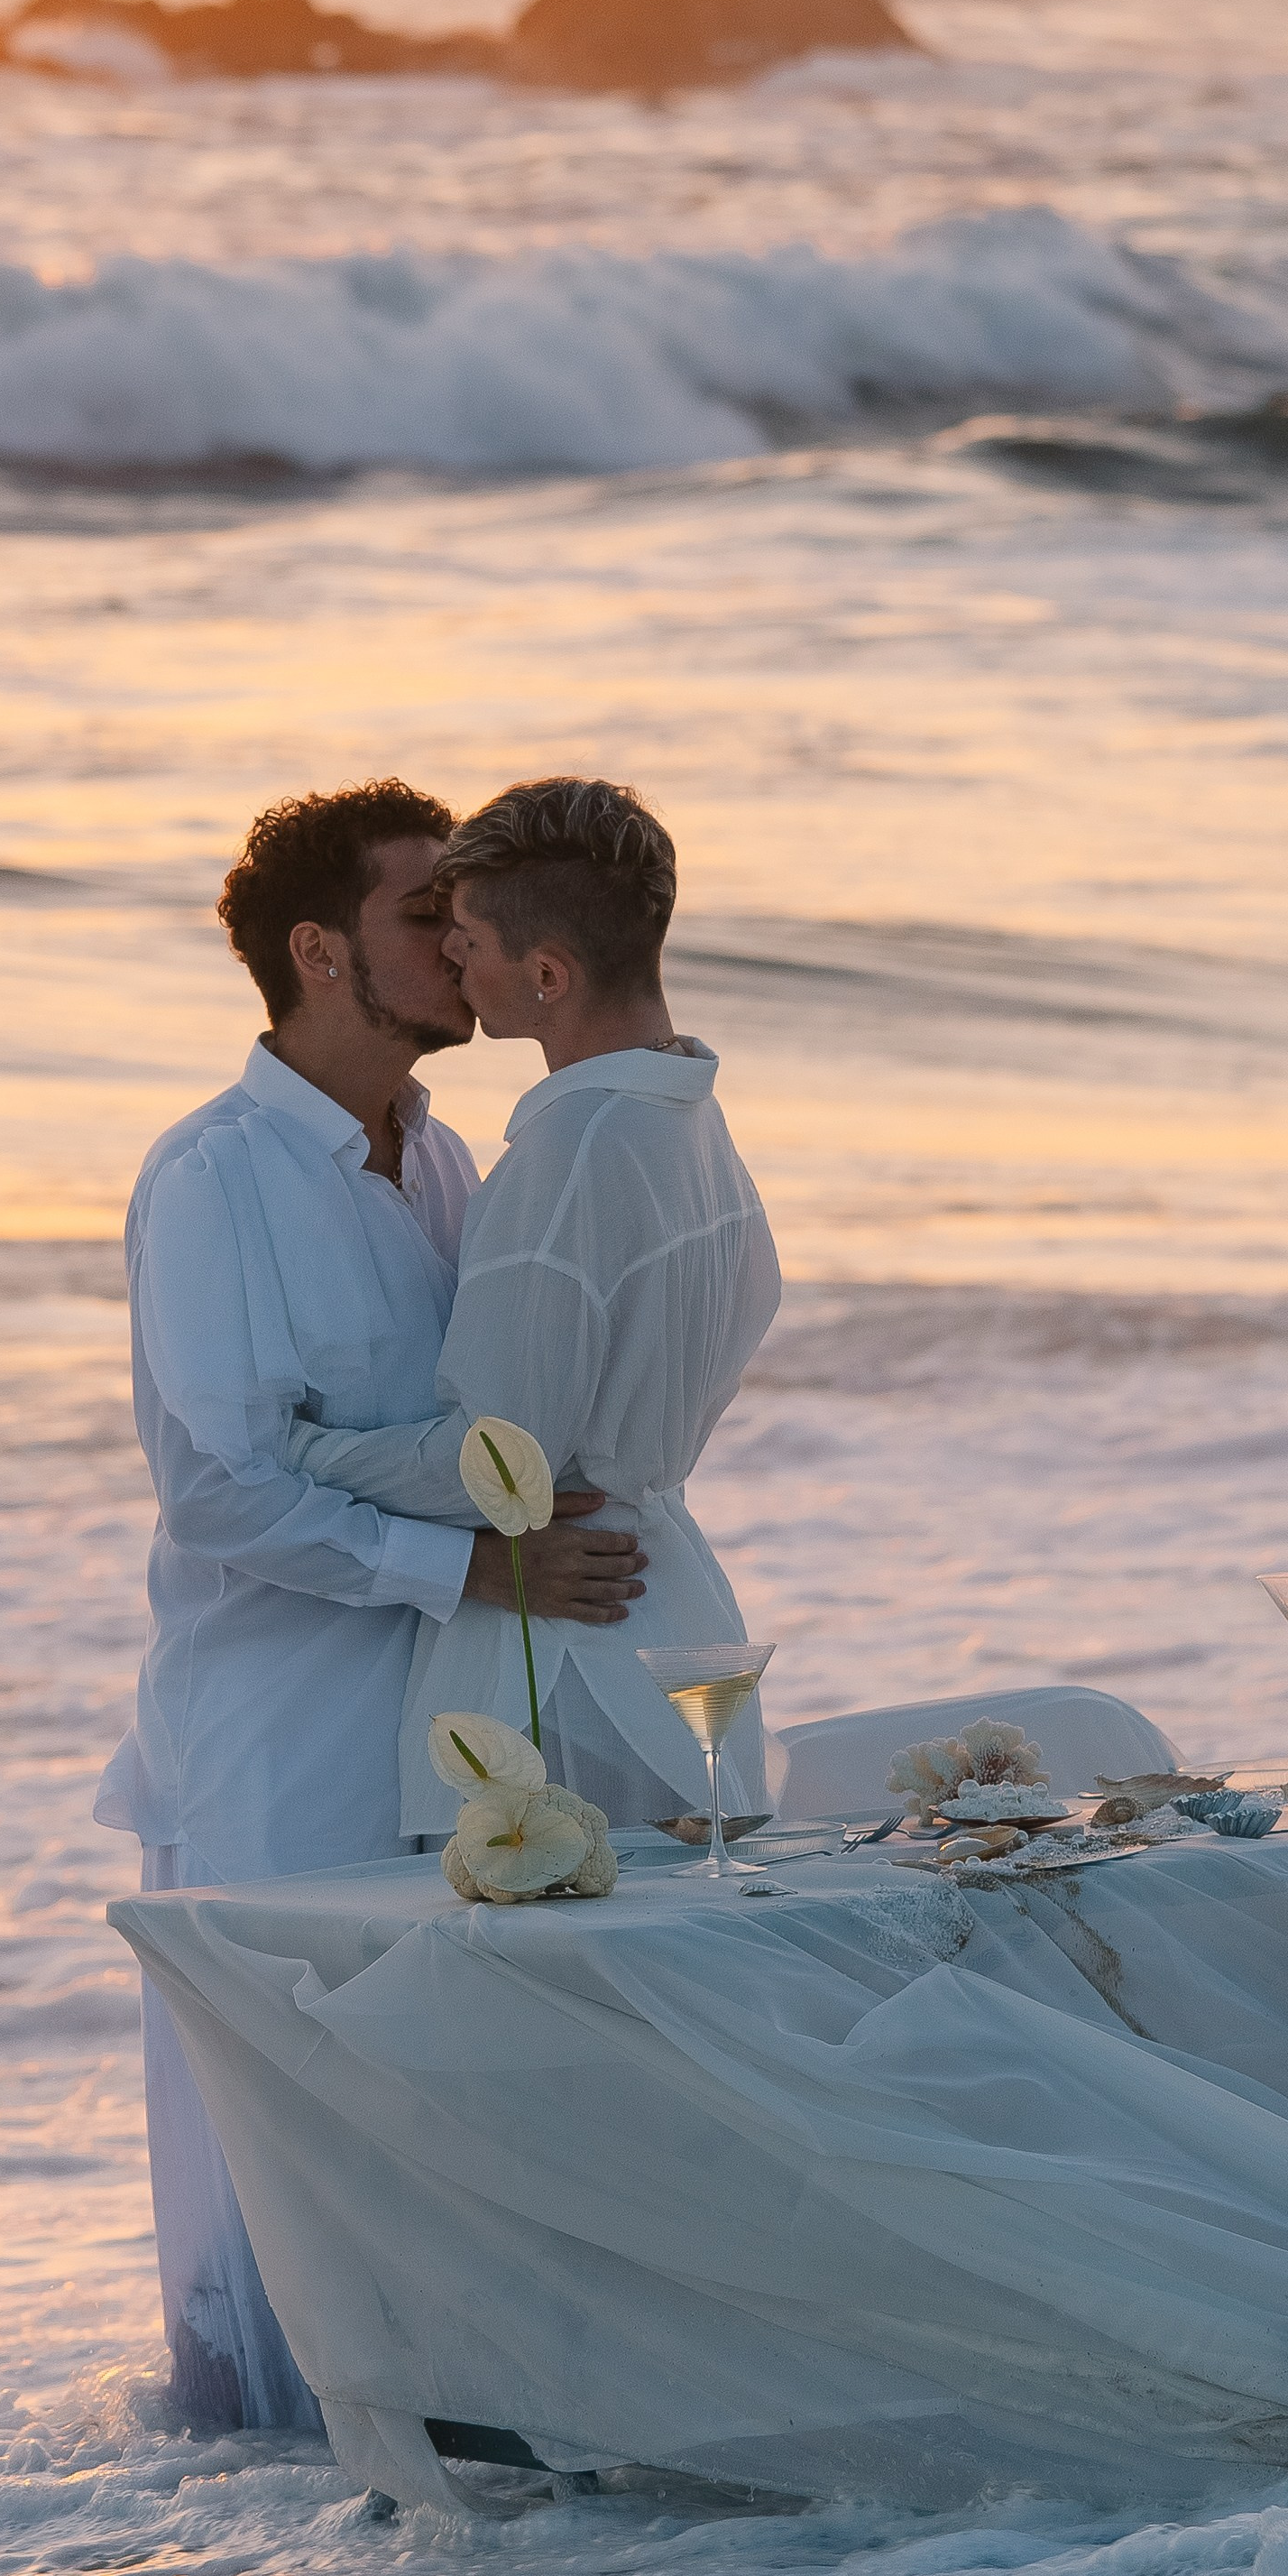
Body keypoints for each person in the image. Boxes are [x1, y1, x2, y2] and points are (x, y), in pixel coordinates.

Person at [96, 780, 648, 2433]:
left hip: (440, 1721)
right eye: (426, 916)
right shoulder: (214, 1177)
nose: (464, 945)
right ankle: (264, 2511)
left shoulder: (445, 1158)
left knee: (425, 2128)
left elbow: (470, 1435)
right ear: (318, 951)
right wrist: (475, 1567)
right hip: (273, 1733)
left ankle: (458, 2473)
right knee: (278, 2164)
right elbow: (219, 1489)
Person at [281, 777, 782, 1838]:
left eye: (466, 939)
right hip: (671, 1617)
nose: (450, 958)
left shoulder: (568, 1155)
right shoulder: (694, 1126)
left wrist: (306, 1452)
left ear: (547, 974)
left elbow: (498, 1459)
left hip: (562, 1664)